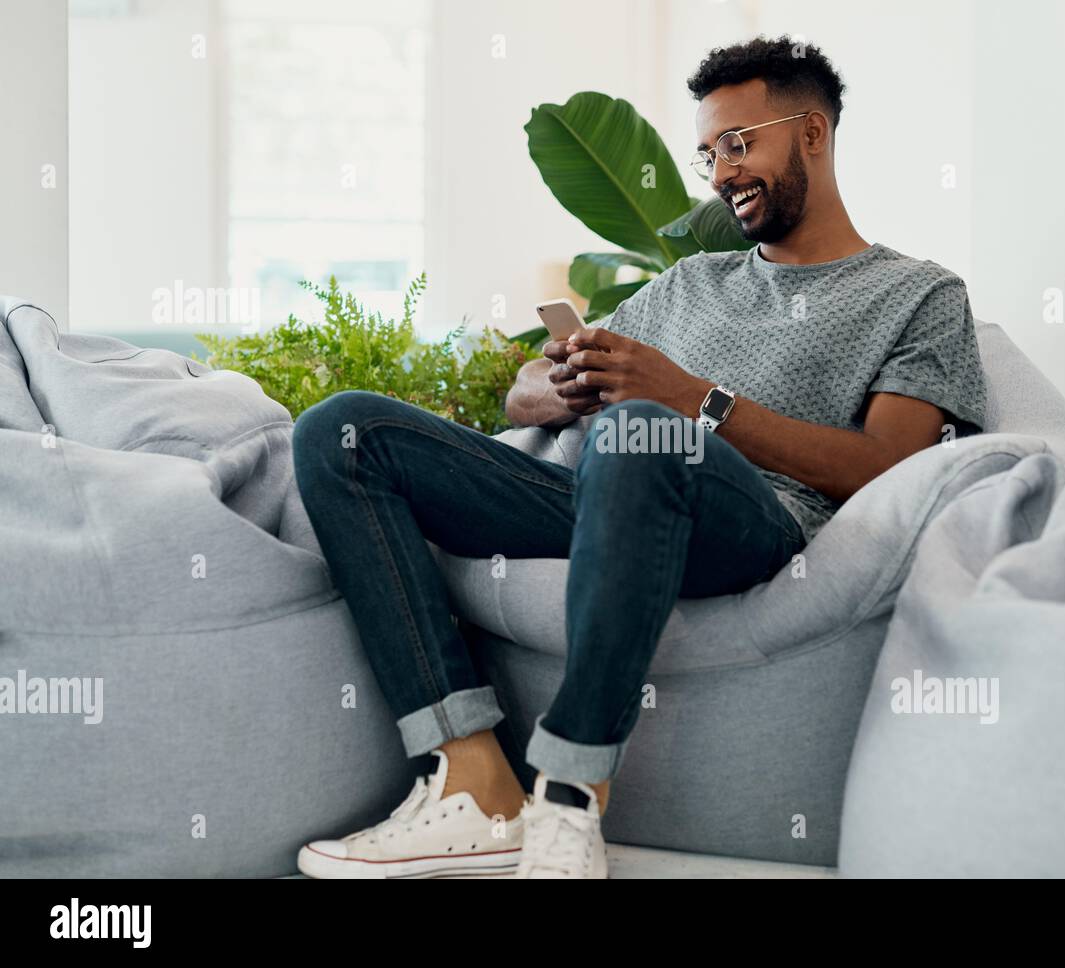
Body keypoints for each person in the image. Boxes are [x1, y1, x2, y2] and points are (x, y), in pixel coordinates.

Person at [291, 34, 987, 879]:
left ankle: (572, 792)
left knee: (643, 429)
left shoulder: (918, 294)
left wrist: (692, 400)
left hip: (753, 519)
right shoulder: (694, 282)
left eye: (740, 144)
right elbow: (520, 394)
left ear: (813, 133)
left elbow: (888, 464)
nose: (723, 174)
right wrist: (574, 389)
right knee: (342, 431)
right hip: (606, 495)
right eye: (708, 155)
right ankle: (472, 783)